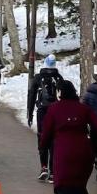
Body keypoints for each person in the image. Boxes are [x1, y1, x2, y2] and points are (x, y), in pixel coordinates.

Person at [27, 54, 63, 182]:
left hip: (42, 111)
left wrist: (29, 113)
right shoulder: (58, 78)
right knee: (54, 140)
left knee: (42, 138)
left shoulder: (38, 77)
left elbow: (31, 96)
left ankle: (43, 167)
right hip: (56, 112)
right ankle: (53, 171)